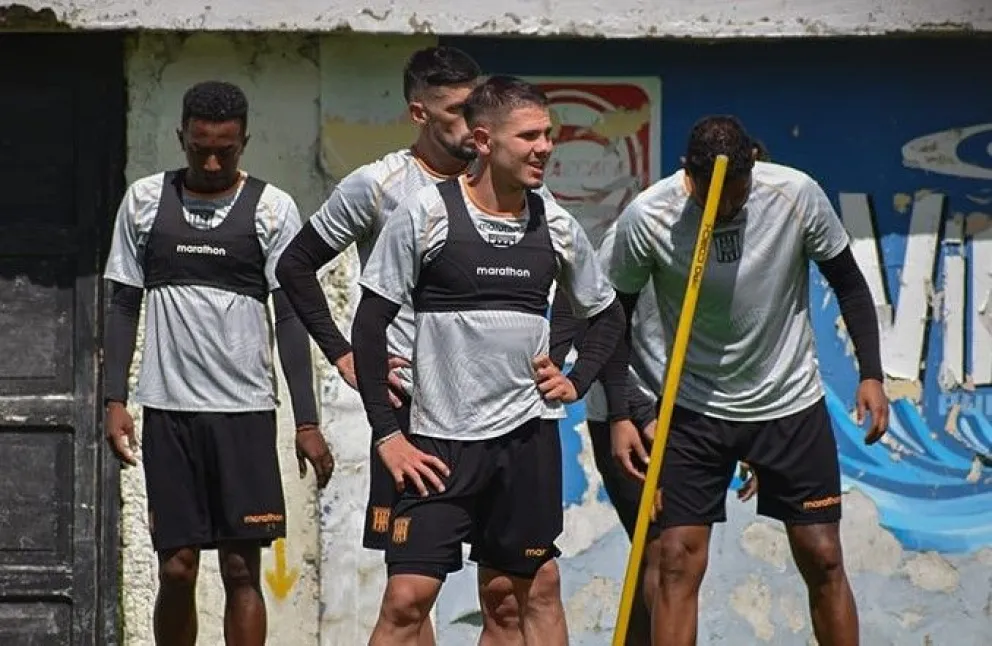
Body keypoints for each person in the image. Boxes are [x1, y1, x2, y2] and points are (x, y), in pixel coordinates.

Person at [275, 47, 570, 645]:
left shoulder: (514, 186)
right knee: (410, 593)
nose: (472, 125)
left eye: (477, 109)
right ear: (419, 113)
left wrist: (558, 360)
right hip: (414, 412)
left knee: (507, 593)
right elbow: (295, 265)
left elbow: (577, 285)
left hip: (505, 415)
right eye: (456, 112)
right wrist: (344, 354)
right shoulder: (380, 187)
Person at [351, 75, 624, 646]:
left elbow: (606, 314)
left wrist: (576, 381)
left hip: (524, 444)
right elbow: (369, 325)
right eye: (529, 136)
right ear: (482, 140)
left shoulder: (554, 223)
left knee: (521, 596)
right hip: (435, 446)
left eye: (548, 134)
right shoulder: (426, 213)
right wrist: (387, 436)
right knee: (407, 600)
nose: (545, 147)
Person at [603, 114, 889, 646]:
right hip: (692, 410)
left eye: (737, 194)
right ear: (688, 174)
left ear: (752, 167)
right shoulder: (649, 216)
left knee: (823, 557)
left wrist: (870, 374)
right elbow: (612, 319)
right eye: (716, 195)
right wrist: (621, 412)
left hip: (788, 404)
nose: (729, 207)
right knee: (676, 562)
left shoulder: (795, 194)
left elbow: (848, 282)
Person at [102, 81, 333, 646]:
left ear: (244, 142)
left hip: (245, 417)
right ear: (181, 136)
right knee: (176, 568)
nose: (210, 160)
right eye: (199, 146)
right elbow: (124, 301)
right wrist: (114, 401)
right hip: (169, 414)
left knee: (239, 569)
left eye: (224, 150)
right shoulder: (145, 202)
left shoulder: (273, 209)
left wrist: (306, 422)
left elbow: (291, 318)